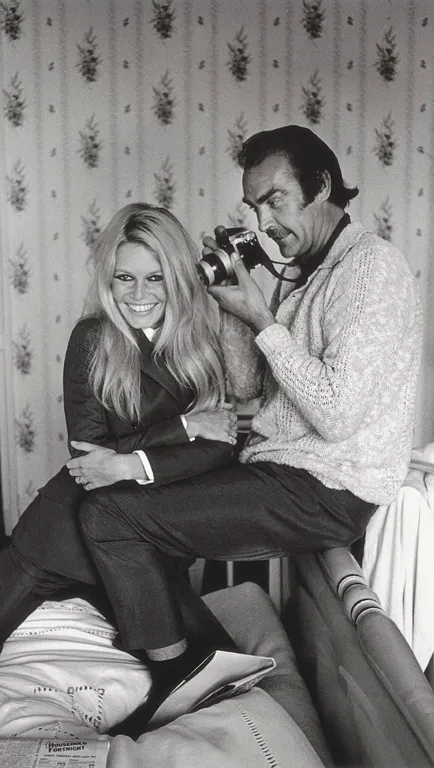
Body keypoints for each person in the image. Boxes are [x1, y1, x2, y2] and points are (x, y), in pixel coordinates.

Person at [71, 124, 423, 715]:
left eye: (274, 200)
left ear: (322, 186)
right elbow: (248, 388)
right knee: (135, 500)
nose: (263, 220)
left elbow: (336, 413)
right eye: (253, 205)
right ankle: (208, 659)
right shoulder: (309, 272)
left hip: (325, 486)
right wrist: (235, 301)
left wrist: (263, 318)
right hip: (282, 468)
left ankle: (191, 670)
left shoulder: (371, 269)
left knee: (110, 515)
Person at [0, 203, 238, 688]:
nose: (139, 294)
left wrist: (129, 462)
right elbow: (90, 456)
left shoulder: (201, 343)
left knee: (216, 664)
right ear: (108, 279)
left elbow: (219, 446)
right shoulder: (91, 338)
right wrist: (185, 427)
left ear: (178, 279)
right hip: (58, 538)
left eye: (155, 278)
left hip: (145, 539)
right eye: (124, 278)